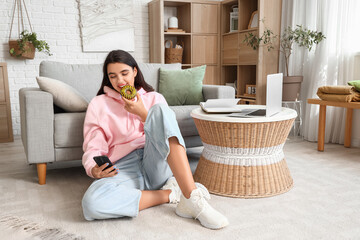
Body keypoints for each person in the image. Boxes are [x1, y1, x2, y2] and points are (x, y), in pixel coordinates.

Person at [81, 50, 229, 229]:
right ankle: (171, 193)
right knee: (91, 203)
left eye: (124, 73)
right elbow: (93, 145)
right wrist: (93, 168)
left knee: (160, 111)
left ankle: (192, 198)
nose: (119, 81)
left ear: (135, 71)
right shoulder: (99, 104)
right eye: (112, 76)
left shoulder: (154, 98)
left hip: (156, 159)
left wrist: (143, 113)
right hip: (123, 167)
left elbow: (167, 133)